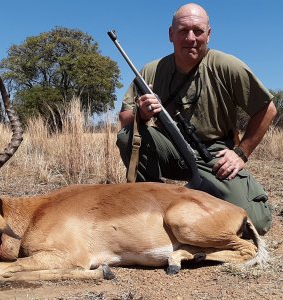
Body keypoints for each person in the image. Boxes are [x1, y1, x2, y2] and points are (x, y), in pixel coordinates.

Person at [116, 3, 277, 235]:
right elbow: (124, 119)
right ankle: (151, 210)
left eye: (198, 31)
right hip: (171, 149)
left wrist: (241, 153)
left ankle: (210, 196)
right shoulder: (150, 71)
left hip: (214, 154)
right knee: (128, 136)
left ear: (208, 35)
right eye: (183, 31)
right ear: (171, 34)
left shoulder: (227, 66)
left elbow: (267, 109)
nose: (190, 38)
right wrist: (142, 113)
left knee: (255, 224)